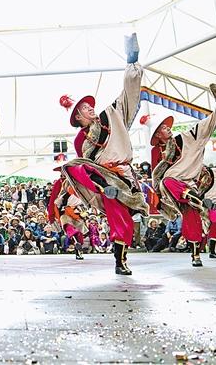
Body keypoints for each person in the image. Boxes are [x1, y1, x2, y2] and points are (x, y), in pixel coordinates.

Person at [58, 34, 147, 275]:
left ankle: (121, 257)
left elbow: (129, 95)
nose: (90, 107)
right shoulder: (80, 140)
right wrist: (100, 183)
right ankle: (119, 261)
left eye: (89, 105)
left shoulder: (112, 116)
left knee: (126, 219)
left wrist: (131, 63)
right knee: (75, 165)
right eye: (84, 108)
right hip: (104, 178)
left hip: (125, 175)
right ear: (78, 117)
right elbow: (85, 165)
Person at [152, 83, 216, 267]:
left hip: (191, 187)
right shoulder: (158, 154)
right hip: (172, 189)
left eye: (167, 126)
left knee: (193, 219)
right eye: (163, 128)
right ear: (158, 135)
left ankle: (196, 255)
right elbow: (157, 177)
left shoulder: (186, 138)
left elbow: (207, 125)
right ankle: (195, 198)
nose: (167, 128)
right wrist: (159, 200)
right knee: (168, 181)